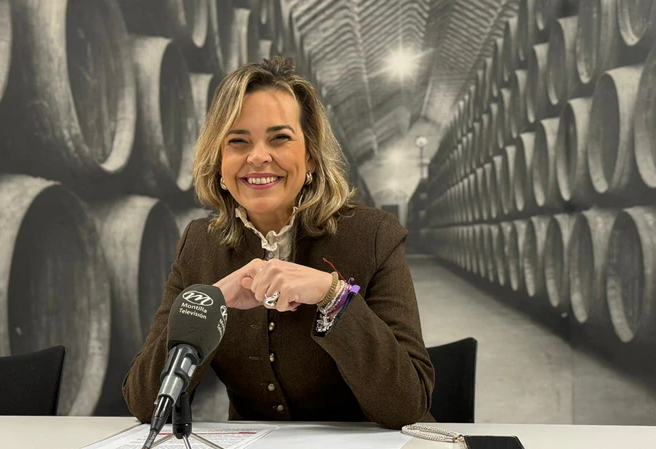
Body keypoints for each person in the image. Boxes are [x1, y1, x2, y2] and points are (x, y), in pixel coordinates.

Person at [122, 56, 435, 429]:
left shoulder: (373, 236)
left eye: (280, 138)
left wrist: (333, 296)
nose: (257, 157)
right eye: (238, 141)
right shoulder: (199, 244)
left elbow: (407, 404)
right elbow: (145, 403)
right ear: (220, 162)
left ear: (311, 157)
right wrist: (212, 303)